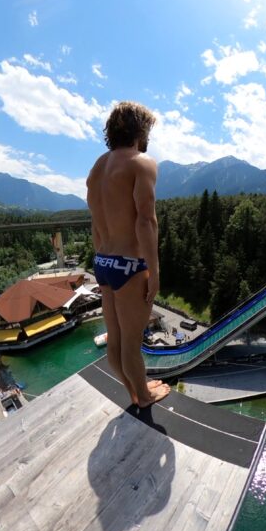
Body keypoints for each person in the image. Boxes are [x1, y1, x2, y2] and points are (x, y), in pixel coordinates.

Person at [87, 101, 170, 408]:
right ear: (140, 130)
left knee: (116, 338)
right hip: (130, 265)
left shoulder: (97, 168)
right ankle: (145, 396)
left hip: (104, 261)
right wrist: (154, 271)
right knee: (132, 343)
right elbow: (145, 220)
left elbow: (96, 223)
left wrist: (103, 259)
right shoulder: (142, 163)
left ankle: (134, 392)